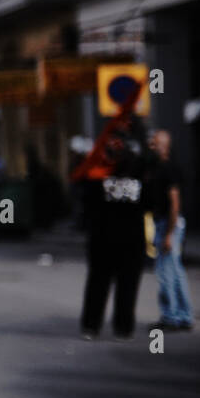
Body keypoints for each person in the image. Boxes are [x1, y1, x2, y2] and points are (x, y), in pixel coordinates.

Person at [79, 131, 146, 340]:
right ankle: (123, 328)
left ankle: (91, 326)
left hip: (102, 238)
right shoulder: (140, 176)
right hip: (131, 240)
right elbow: (150, 203)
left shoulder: (97, 175)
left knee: (98, 284)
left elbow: (86, 204)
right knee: (127, 285)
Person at [147, 129, 193, 331]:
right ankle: (184, 316)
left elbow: (174, 203)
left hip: (168, 224)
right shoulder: (161, 168)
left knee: (165, 272)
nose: (151, 146)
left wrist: (168, 234)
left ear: (164, 146)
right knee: (176, 272)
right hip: (169, 224)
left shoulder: (168, 169)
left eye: (154, 143)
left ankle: (170, 317)